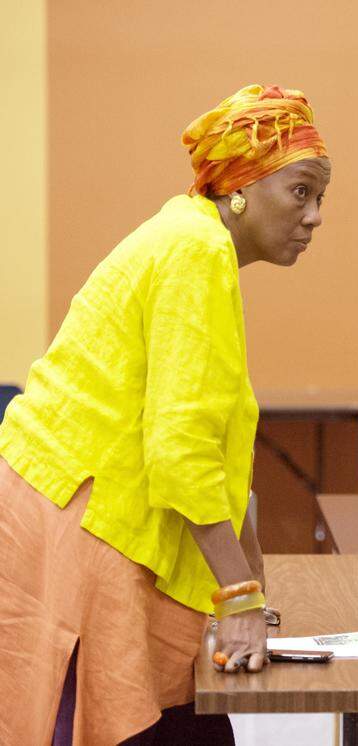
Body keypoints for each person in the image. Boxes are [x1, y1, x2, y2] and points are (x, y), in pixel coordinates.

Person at [0, 84, 331, 745]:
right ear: (241, 187)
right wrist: (237, 597)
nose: (315, 215)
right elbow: (180, 451)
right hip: (89, 518)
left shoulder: (187, 237)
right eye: (300, 191)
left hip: (74, 505)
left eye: (320, 198)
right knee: (141, 725)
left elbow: (203, 440)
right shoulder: (196, 251)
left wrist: (250, 576)